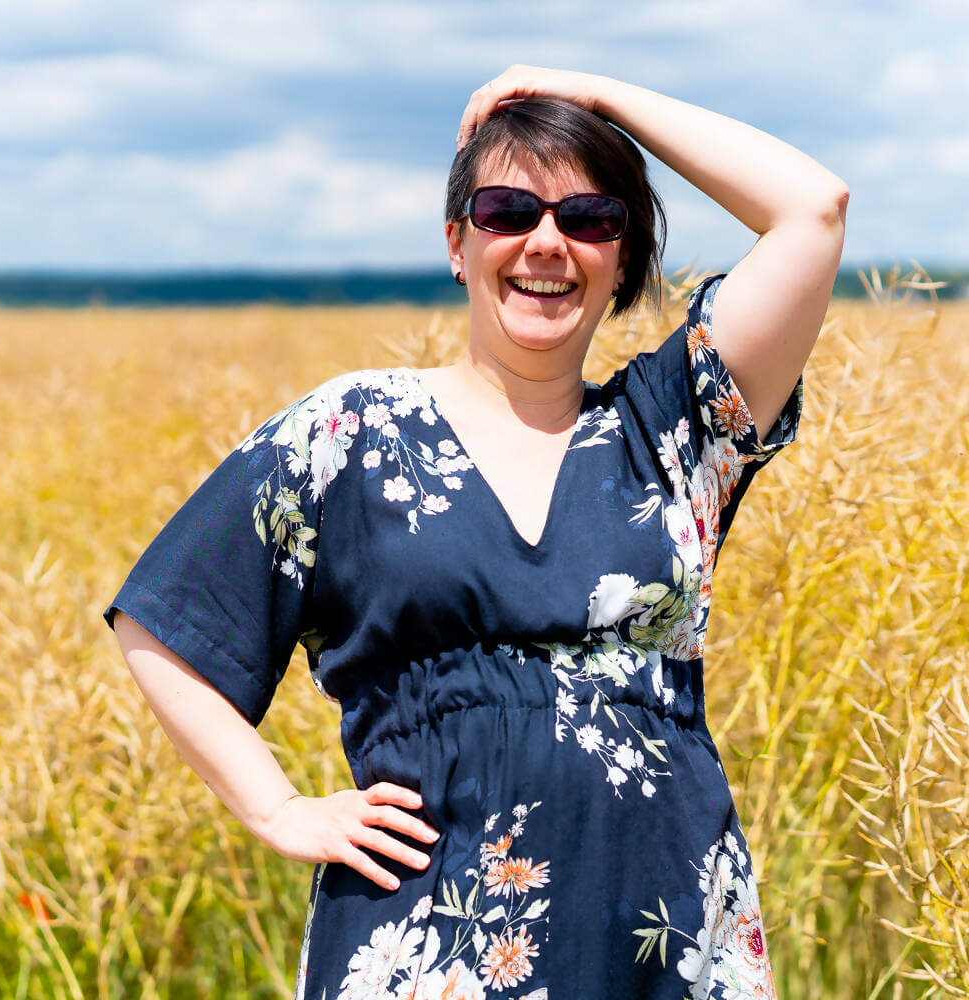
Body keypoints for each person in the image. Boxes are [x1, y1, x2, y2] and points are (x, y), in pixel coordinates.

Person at [105, 65, 846, 999]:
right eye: (508, 211)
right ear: (458, 244)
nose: (548, 243)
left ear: (623, 261)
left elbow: (812, 211)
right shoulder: (353, 433)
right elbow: (166, 619)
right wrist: (280, 808)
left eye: (590, 220)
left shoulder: (673, 433)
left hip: (664, 937)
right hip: (424, 944)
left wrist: (593, 93)